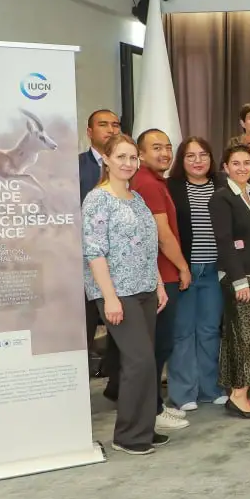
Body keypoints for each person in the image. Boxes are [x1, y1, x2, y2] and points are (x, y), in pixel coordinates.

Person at [82, 134, 170, 455]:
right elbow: (94, 252)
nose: (128, 163)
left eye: (133, 158)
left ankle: (143, 427)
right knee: (139, 362)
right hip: (118, 293)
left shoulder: (137, 198)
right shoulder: (97, 200)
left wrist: (159, 284)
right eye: (121, 156)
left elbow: (149, 248)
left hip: (145, 288)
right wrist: (109, 298)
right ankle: (128, 436)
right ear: (106, 159)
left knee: (147, 364)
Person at [123, 129, 190, 432]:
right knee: (157, 346)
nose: (164, 153)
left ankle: (156, 406)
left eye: (167, 147)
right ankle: (151, 409)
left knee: (160, 346)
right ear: (140, 153)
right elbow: (163, 236)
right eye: (156, 148)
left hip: (161, 276)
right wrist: (183, 267)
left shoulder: (153, 181)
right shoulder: (148, 184)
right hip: (161, 276)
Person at [210, 145, 250, 419]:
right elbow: (225, 242)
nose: (241, 168)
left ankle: (239, 394)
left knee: (244, 336)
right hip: (239, 277)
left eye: (246, 163)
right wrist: (238, 281)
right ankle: (238, 395)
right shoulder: (222, 198)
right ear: (225, 167)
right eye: (235, 163)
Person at [166, 137, 226, 412]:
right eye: (190, 156)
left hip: (215, 271)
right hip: (185, 271)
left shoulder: (222, 186)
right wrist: (180, 267)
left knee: (210, 331)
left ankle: (210, 388)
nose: (198, 160)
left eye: (203, 154)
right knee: (183, 333)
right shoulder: (172, 188)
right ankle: (183, 393)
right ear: (182, 160)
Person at [79, 108, 122, 375]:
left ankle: (116, 385)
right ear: (89, 132)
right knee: (84, 325)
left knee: (122, 330)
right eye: (103, 124)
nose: (110, 130)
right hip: (83, 262)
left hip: (119, 263)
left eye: (115, 125)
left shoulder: (127, 166)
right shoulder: (74, 166)